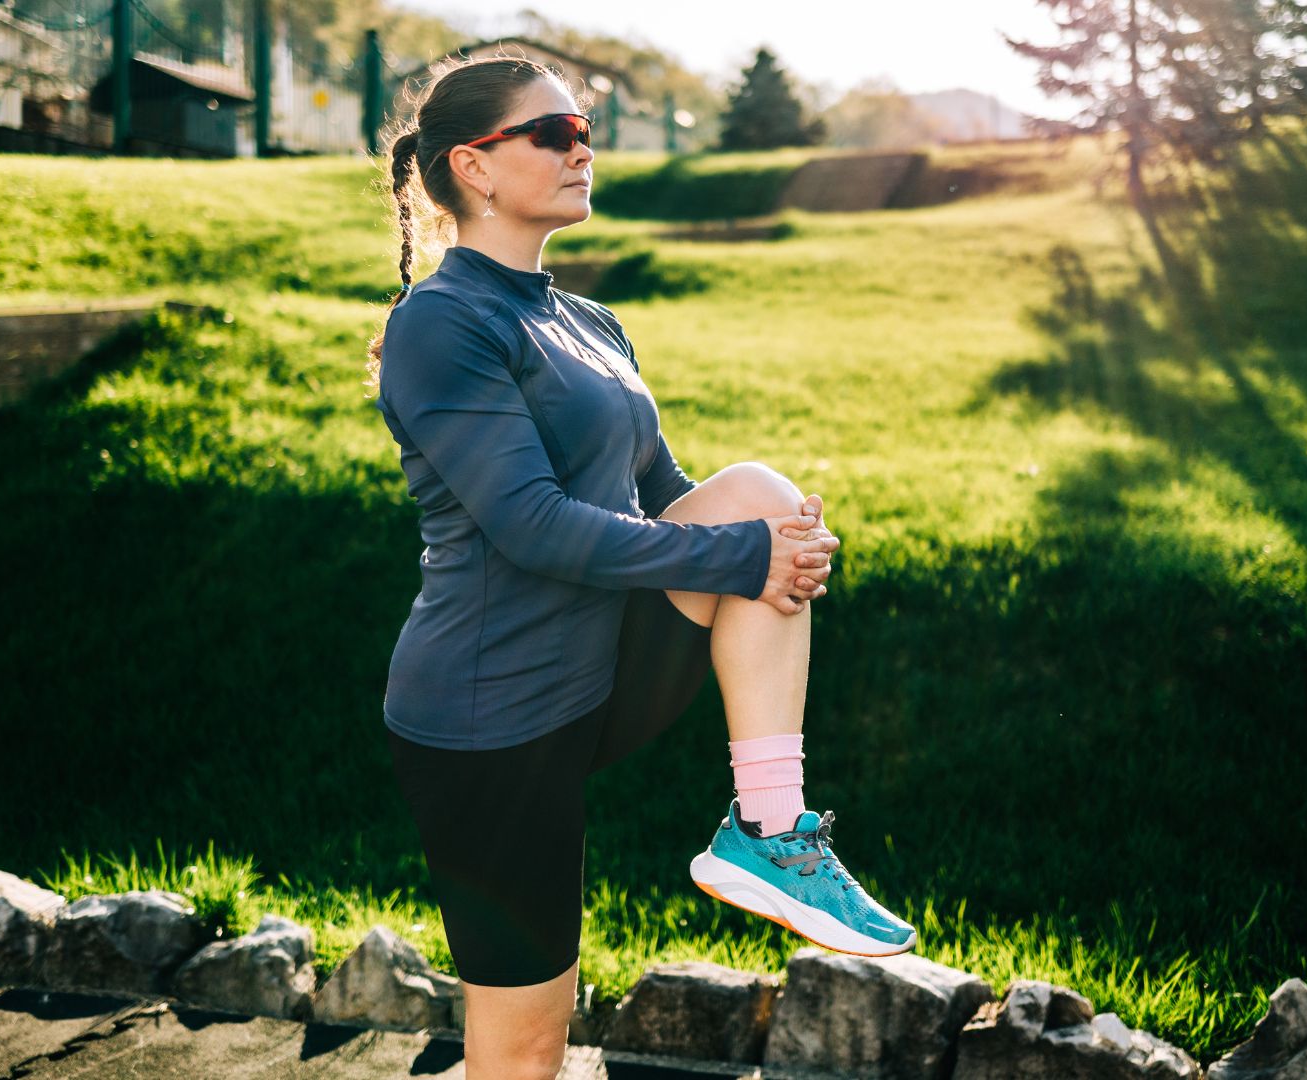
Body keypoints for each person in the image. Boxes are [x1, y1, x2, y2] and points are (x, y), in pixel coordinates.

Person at [364, 53, 917, 1078]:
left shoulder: (589, 322)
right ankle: (765, 830)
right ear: (472, 166)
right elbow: (533, 526)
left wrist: (778, 548)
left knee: (757, 493)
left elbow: (663, 497)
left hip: (595, 672)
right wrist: (747, 556)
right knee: (525, 1048)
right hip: (490, 721)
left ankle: (770, 830)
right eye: (553, 132)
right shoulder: (441, 323)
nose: (582, 148)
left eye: (584, 130)